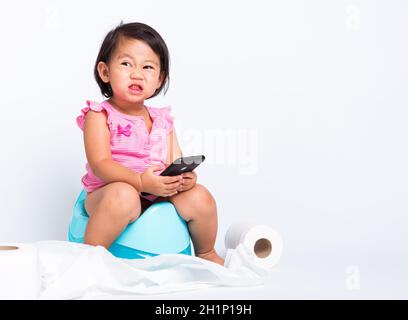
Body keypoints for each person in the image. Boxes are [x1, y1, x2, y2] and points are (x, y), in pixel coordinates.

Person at [76, 22, 224, 265]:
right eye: (126, 64)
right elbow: (100, 163)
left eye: (147, 67)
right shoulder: (99, 115)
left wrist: (184, 178)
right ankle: (88, 259)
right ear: (105, 72)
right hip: (109, 194)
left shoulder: (162, 119)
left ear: (159, 79)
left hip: (157, 194)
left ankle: (206, 252)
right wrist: (140, 182)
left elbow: (174, 160)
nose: (137, 74)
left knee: (201, 197)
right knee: (123, 195)